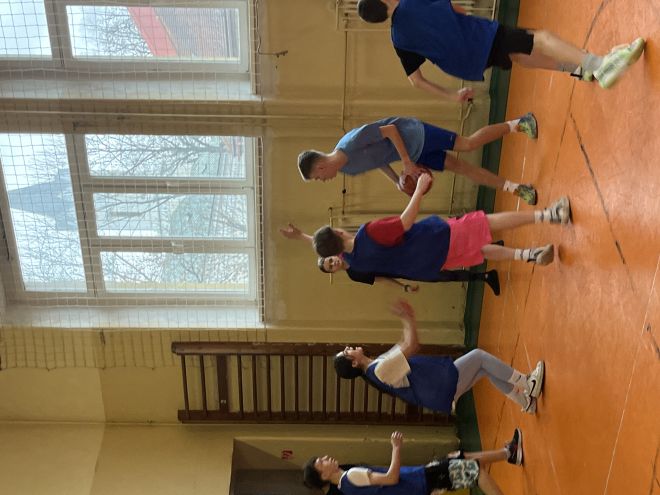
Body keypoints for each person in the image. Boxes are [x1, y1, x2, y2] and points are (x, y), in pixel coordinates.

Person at [357, 0, 644, 97]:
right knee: (540, 38)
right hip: (478, 37)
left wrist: (451, 96)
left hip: (468, 63)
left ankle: (579, 69)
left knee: (519, 55)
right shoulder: (411, 2)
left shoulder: (397, 39)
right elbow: (455, 9)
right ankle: (600, 65)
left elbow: (416, 80)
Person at [310, 174, 571, 279]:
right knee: (487, 222)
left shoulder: (355, 263)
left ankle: (529, 255)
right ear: (338, 231)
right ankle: (551, 215)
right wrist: (419, 189)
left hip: (431, 263)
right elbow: (405, 223)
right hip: (433, 239)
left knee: (480, 251)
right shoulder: (368, 233)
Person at [333, 299, 544, 414]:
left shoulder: (377, 366)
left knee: (483, 369)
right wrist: (409, 318)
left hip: (437, 390)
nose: (349, 347)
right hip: (439, 385)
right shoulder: (379, 370)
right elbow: (412, 346)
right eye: (347, 351)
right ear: (353, 362)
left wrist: (406, 319)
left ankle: (525, 402)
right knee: (479, 356)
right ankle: (528, 383)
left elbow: (404, 345)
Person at [298, 115, 539, 205]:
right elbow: (377, 161)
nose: (323, 180)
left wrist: (405, 162)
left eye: (318, 177)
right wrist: (396, 181)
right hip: (413, 156)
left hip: (416, 135)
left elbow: (391, 130)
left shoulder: (351, 142)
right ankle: (517, 189)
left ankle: (519, 123)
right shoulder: (347, 169)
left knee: (467, 144)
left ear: (320, 166)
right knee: (462, 168)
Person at [279, 223, 502, 295]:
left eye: (330, 260)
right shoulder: (355, 272)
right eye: (330, 266)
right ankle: (484, 275)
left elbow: (325, 240)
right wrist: (403, 286)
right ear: (333, 272)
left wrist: (301, 236)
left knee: (450, 246)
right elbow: (381, 279)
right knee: (446, 273)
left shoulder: (349, 246)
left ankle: (492, 247)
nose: (333, 263)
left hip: (406, 250)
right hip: (407, 268)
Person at [303, 429, 523, 495]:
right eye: (321, 462)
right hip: (420, 481)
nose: (325, 458)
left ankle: (508, 453)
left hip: (420, 478)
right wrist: (396, 447)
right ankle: (508, 453)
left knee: (458, 457)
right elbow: (391, 478)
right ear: (324, 475)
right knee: (475, 472)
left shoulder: (347, 487)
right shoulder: (351, 476)